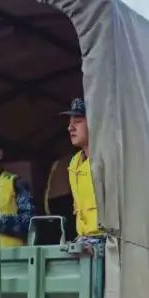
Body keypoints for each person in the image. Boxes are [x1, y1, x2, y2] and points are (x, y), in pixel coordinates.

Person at [63, 97, 104, 239]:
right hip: (84, 240)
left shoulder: (109, 160)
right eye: (70, 123)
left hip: (108, 241)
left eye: (78, 122)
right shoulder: (74, 163)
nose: (70, 128)